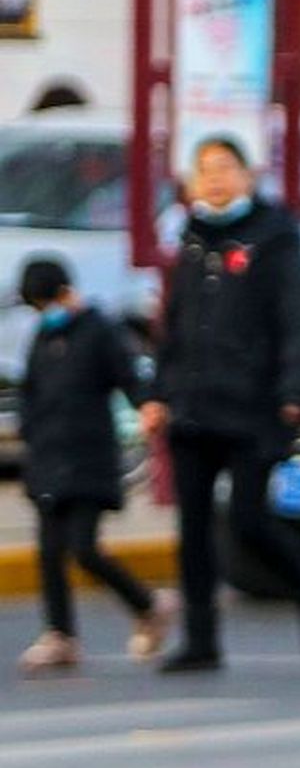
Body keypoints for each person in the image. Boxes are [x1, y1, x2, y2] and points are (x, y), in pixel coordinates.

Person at [141, 135, 300, 673]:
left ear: (248, 175)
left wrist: (297, 389)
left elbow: (296, 319)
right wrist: (158, 393)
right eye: (204, 170)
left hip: (253, 405)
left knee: (250, 520)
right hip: (192, 403)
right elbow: (173, 326)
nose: (215, 180)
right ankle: (201, 640)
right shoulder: (192, 238)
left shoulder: (274, 237)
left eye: (225, 168)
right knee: (193, 530)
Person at [16, 258, 174, 674]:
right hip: (48, 459)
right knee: (49, 552)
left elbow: (128, 377)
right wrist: (30, 433)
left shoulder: (98, 330)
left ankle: (147, 604)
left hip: (88, 459)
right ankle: (60, 634)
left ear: (67, 292)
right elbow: (30, 393)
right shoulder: (42, 337)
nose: (44, 311)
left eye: (48, 301)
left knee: (83, 548)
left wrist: (147, 405)